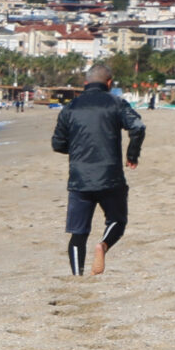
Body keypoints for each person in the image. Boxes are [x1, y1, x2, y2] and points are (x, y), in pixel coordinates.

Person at [52, 64, 145, 278]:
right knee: (117, 220)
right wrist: (132, 155)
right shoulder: (117, 103)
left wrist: (76, 150)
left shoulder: (71, 107)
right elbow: (138, 127)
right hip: (110, 176)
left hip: (79, 178)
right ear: (110, 83)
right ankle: (102, 245)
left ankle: (77, 277)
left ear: (85, 83)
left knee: (78, 233)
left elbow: (57, 143)